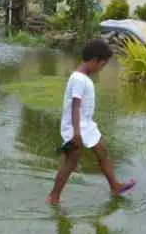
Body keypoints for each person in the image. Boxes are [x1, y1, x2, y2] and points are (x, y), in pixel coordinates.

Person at [47, 39, 136, 204]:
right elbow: (75, 105)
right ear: (95, 60)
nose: (101, 69)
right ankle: (53, 196)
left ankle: (114, 185)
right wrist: (76, 133)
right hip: (76, 127)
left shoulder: (83, 78)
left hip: (86, 124)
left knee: (103, 151)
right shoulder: (79, 79)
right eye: (102, 65)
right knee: (70, 163)